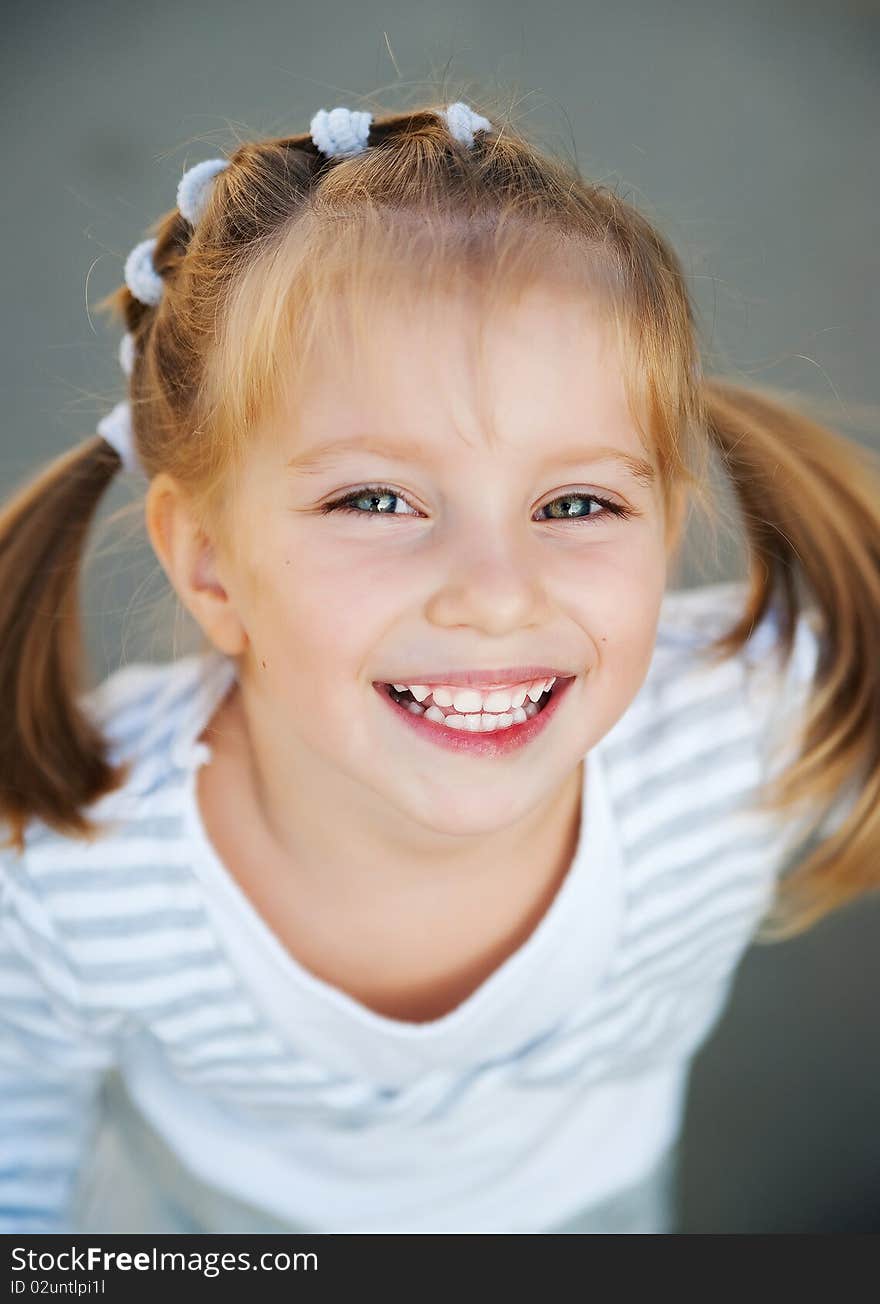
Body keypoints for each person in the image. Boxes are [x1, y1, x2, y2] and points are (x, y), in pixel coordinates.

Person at [0, 95, 877, 1236]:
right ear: (211, 564)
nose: (497, 591)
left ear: (664, 537)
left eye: (576, 501)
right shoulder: (75, 879)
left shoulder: (740, 738)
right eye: (374, 498)